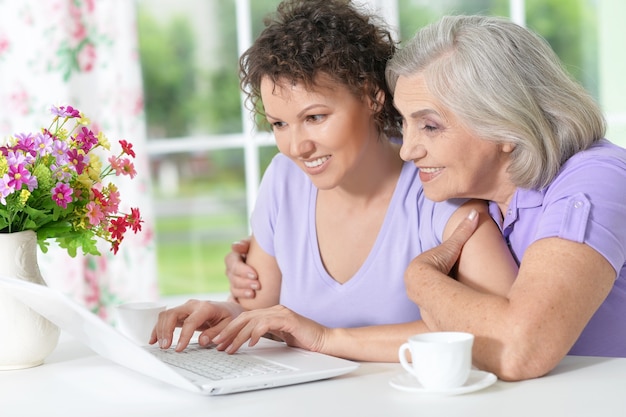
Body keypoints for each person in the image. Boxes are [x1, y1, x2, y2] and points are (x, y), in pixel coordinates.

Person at [151, 1, 516, 362]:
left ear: (372, 96)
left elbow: (497, 333)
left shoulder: (440, 190)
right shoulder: (283, 180)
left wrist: (326, 339)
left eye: (315, 117)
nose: (297, 146)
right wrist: (224, 314)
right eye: (279, 124)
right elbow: (258, 307)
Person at [383, 14, 626, 381]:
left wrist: (421, 279)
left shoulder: (596, 178)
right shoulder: (478, 200)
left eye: (430, 126)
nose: (408, 150)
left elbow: (519, 352)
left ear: (505, 124)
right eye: (405, 122)